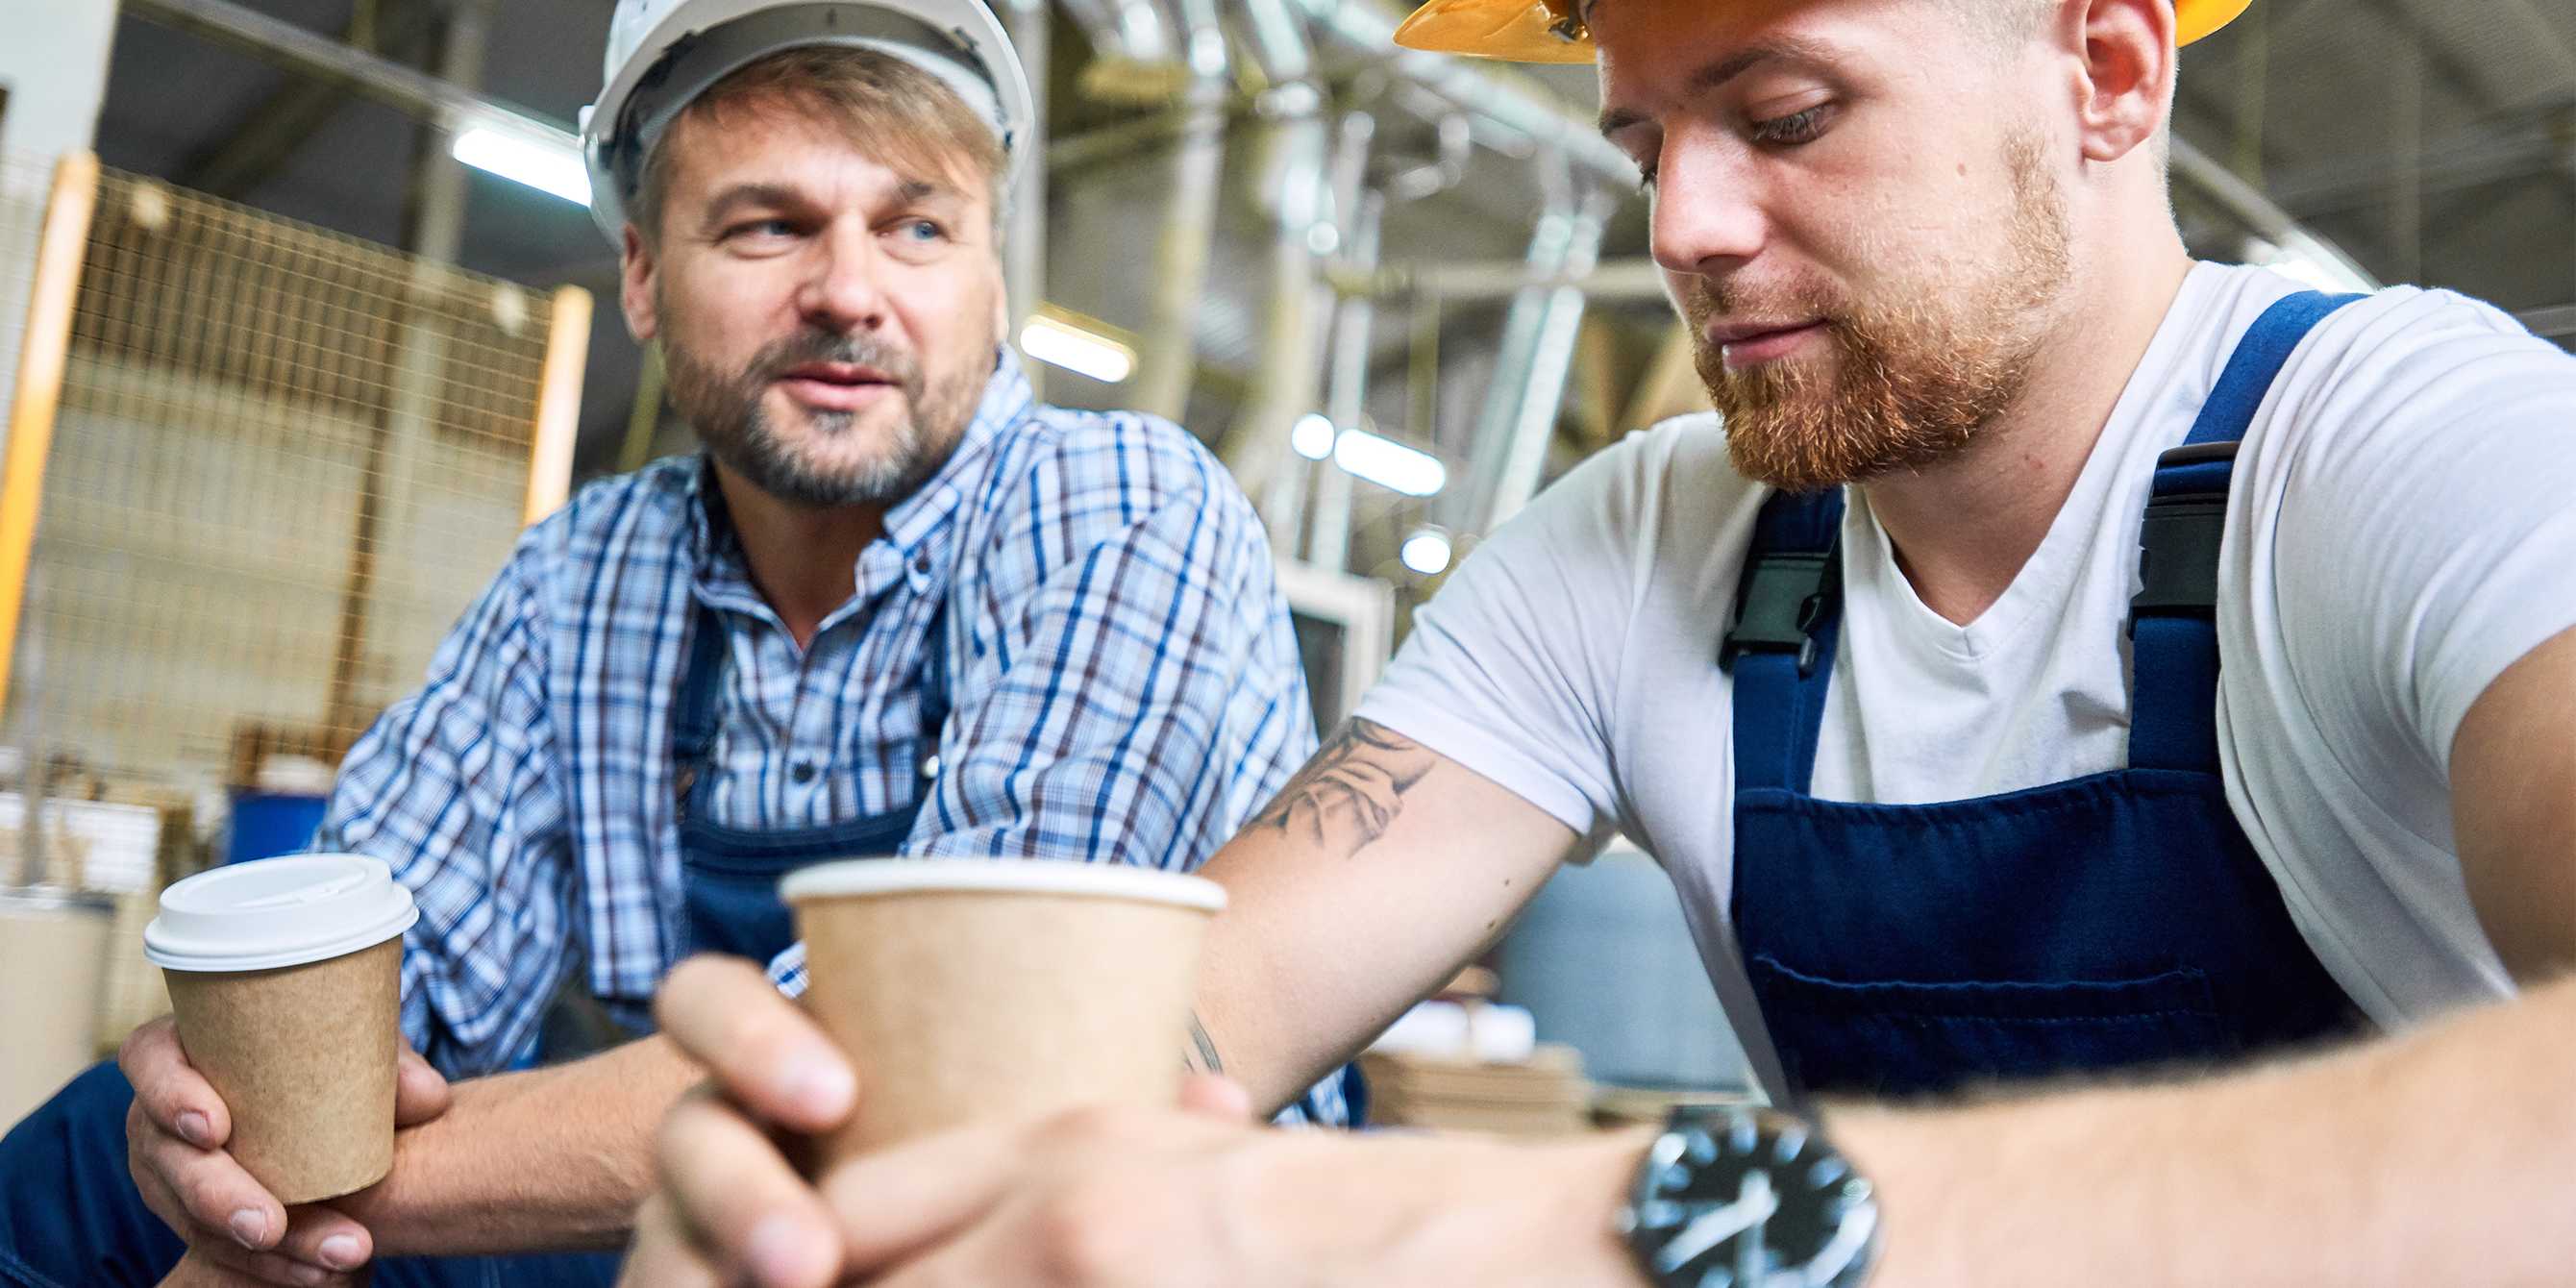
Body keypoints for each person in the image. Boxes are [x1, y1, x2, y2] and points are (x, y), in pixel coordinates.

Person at [623, 0, 2576, 1284]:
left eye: (1785, 111)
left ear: (2104, 67)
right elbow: (1201, 1003)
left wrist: (1560, 1229)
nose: (1688, 223)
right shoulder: (1650, 545)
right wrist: (868, 1138)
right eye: (1646, 142)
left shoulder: (2405, 453)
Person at [0, 2, 1342, 1285]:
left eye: (919, 227)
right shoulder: (586, 575)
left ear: (993, 276)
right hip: (714, 1211)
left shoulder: (1117, 510)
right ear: (642, 275)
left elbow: (958, 1071)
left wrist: (291, 1190)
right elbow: (385, 982)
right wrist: (229, 1125)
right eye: (769, 226)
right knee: (94, 1153)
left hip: (1083, 1233)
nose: (849, 292)